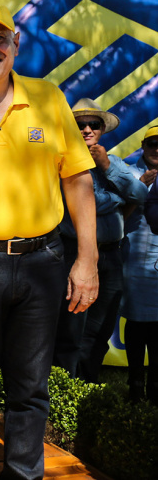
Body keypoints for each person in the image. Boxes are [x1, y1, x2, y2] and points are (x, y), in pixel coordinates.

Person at [0, 2, 97, 480]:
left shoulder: (49, 97)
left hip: (43, 262)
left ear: (16, 44)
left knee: (30, 388)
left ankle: (24, 475)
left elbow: (78, 180)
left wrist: (87, 260)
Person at [52, 99, 146, 382]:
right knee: (71, 328)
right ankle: (65, 388)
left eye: (93, 124)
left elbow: (141, 194)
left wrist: (106, 166)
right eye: (80, 125)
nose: (87, 130)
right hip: (74, 253)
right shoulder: (61, 162)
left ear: (102, 129)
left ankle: (88, 385)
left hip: (112, 256)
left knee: (101, 328)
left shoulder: (112, 162)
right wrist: (118, 196)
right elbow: (87, 203)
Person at [124, 126, 158, 404]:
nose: (157, 149)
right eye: (152, 143)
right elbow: (117, 213)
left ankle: (156, 387)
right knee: (136, 323)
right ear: (143, 145)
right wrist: (140, 187)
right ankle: (135, 385)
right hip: (134, 258)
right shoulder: (128, 173)